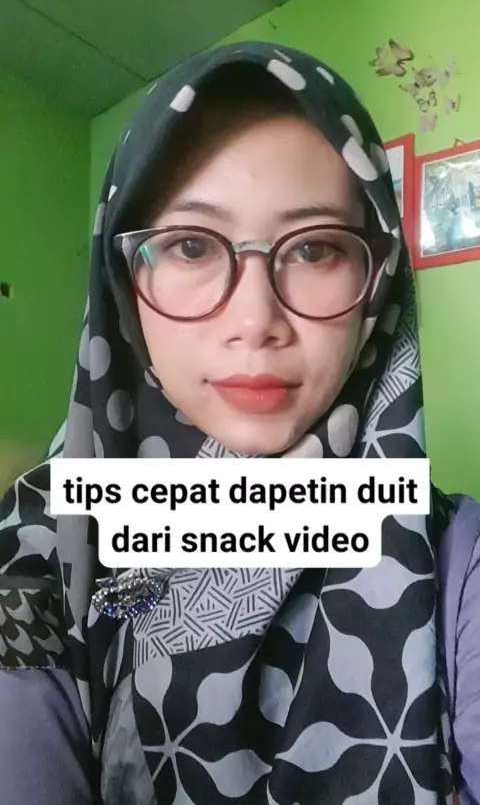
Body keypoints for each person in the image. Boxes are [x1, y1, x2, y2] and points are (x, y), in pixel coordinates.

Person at [0, 42, 479, 805]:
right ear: (123, 281)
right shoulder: (41, 555)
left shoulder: (453, 561)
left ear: (378, 283)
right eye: (191, 245)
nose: (256, 320)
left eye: (316, 249)